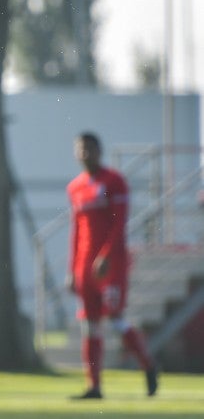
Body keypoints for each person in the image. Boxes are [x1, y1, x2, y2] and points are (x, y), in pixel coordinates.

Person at [66, 132, 159, 400]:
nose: (85, 154)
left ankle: (148, 365)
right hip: (84, 266)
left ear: (99, 151)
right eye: (81, 149)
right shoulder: (75, 187)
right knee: (89, 324)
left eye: (90, 149)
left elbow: (120, 223)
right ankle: (94, 386)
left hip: (112, 263)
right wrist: (73, 269)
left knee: (116, 319)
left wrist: (106, 255)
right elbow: (77, 230)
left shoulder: (114, 181)